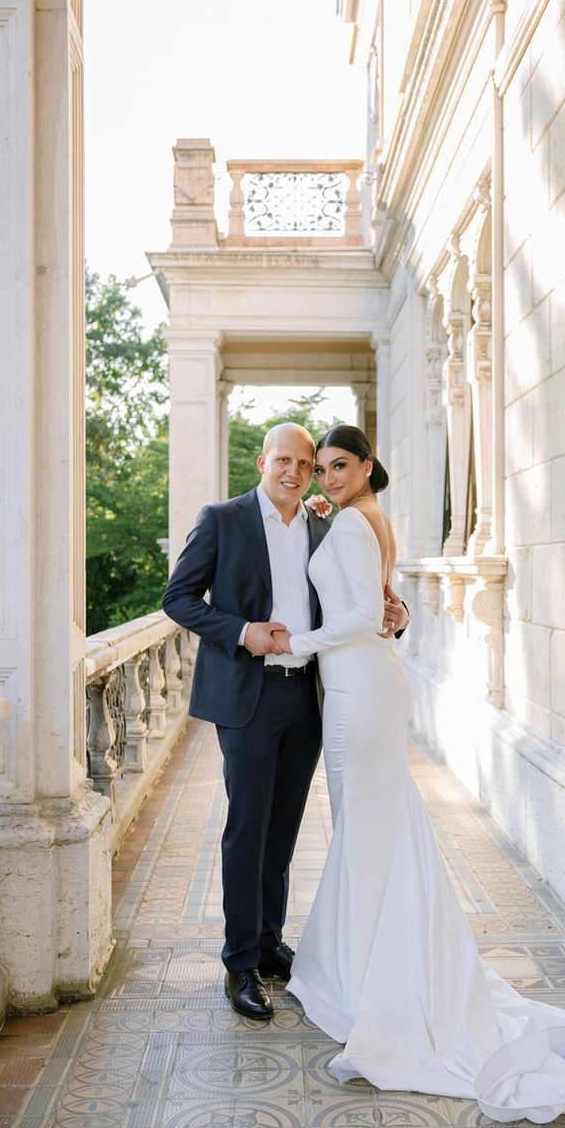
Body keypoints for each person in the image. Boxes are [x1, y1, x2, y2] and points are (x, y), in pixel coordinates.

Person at [271, 424, 565, 1123]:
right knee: (372, 827)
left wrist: (296, 647)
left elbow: (358, 613)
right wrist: (330, 521)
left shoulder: (350, 523)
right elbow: (378, 607)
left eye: (338, 466)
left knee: (364, 828)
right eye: (320, 470)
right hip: (370, 683)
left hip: (354, 690)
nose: (325, 478)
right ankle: (370, 961)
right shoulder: (365, 518)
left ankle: (367, 977)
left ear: (368, 466)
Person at [162, 422, 409, 1022]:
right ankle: (240, 960)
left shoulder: (328, 524)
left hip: (309, 695)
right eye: (285, 461)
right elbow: (179, 597)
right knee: (247, 828)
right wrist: (244, 632)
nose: (297, 473)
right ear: (262, 462)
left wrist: (396, 617)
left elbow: (360, 602)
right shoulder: (222, 518)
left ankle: (270, 944)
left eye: (309, 464)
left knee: (284, 830)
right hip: (248, 694)